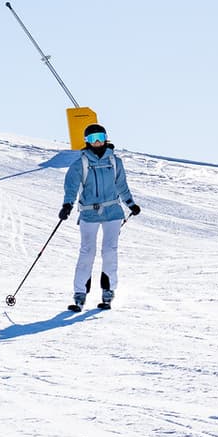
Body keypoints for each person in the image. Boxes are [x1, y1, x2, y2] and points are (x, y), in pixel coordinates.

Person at [59, 123, 140, 311]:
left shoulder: (115, 162)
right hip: (89, 212)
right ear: (86, 141)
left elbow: (121, 185)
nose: (97, 142)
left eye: (100, 138)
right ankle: (80, 294)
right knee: (87, 252)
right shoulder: (80, 163)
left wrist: (130, 204)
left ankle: (108, 291)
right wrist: (67, 205)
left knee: (109, 251)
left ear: (106, 139)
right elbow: (71, 186)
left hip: (113, 212)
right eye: (92, 139)